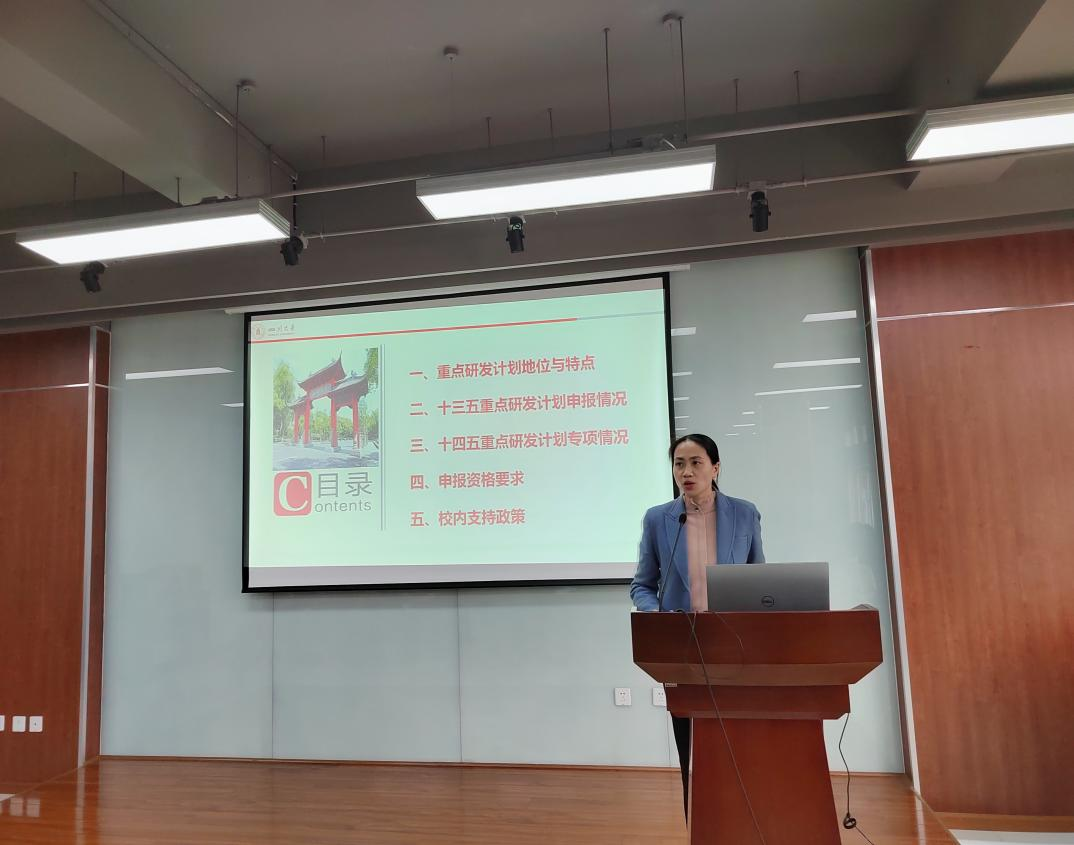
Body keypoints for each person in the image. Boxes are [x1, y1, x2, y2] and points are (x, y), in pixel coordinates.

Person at [629, 433, 764, 819]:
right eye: (678, 464)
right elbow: (642, 585)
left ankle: (737, 822)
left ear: (715, 468)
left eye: (695, 463)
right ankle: (700, 825)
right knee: (690, 746)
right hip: (682, 649)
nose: (686, 472)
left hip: (733, 646)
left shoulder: (744, 513)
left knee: (736, 745)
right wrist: (658, 615)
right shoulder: (659, 519)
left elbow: (759, 581)